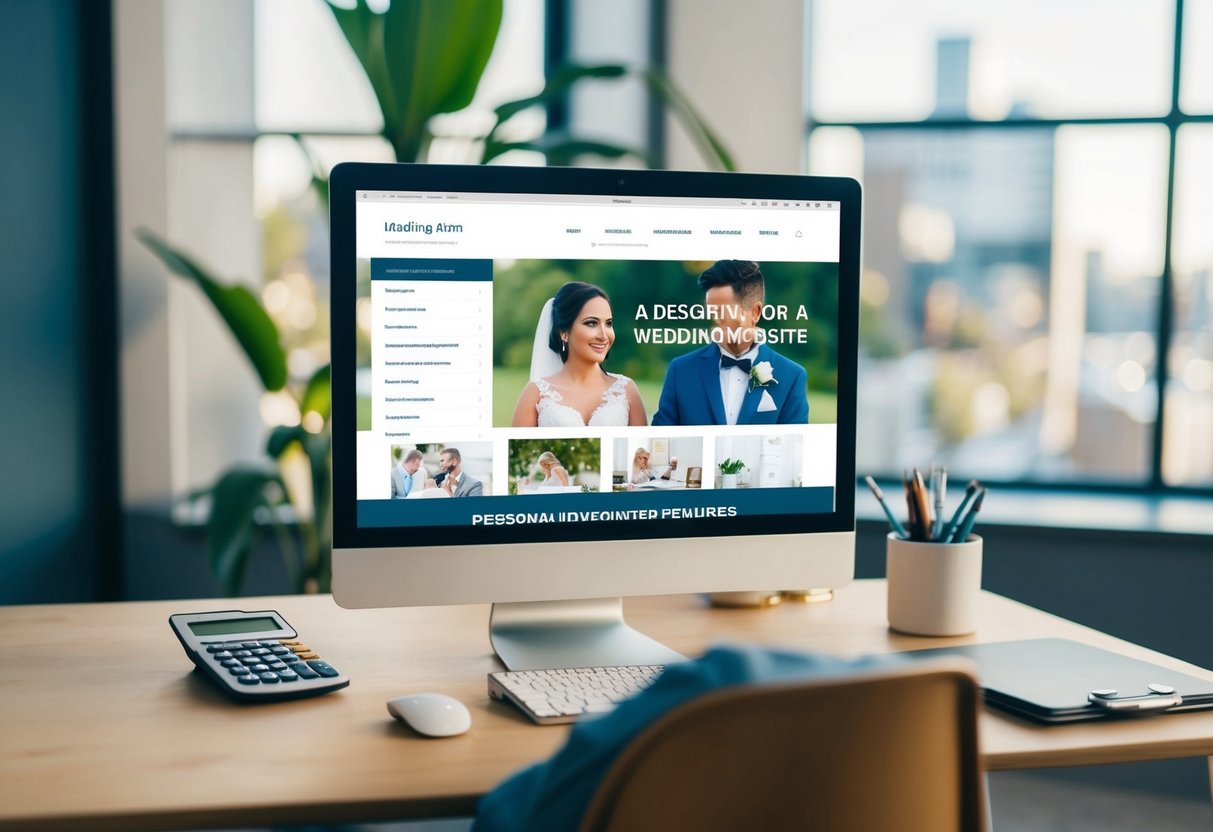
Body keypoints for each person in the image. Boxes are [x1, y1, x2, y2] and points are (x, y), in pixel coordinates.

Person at [652, 260, 808, 426]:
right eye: (711, 312)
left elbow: (795, 446)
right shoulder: (680, 370)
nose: (715, 321)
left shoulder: (792, 376)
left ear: (755, 312)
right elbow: (661, 439)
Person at [512, 282, 648, 428]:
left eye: (608, 324)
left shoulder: (627, 390)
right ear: (564, 332)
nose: (604, 336)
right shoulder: (536, 393)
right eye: (591, 323)